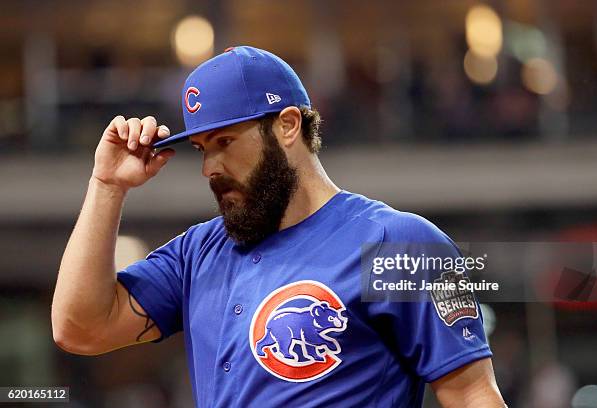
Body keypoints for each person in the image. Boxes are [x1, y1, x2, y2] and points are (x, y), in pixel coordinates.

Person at [52, 46, 506, 407]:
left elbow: (472, 395)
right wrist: (106, 185)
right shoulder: (197, 252)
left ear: (287, 125)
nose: (211, 166)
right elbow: (79, 329)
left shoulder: (399, 243)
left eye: (225, 142)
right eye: (201, 149)